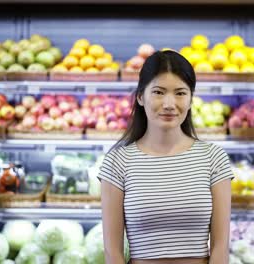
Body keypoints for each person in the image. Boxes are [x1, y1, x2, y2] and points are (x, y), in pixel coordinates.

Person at [98, 50, 233, 264]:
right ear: (141, 97)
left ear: (191, 99)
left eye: (180, 93)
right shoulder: (117, 162)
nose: (169, 104)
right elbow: (112, 252)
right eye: (159, 92)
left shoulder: (213, 158)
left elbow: (220, 248)